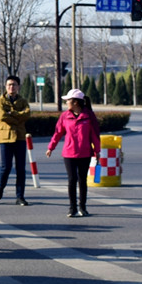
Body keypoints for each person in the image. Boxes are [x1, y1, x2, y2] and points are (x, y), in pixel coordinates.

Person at [46, 88, 101, 218]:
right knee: (72, 180)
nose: (66, 103)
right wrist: (51, 147)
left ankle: (83, 207)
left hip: (85, 152)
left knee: (82, 180)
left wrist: (97, 150)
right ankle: (72, 208)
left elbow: (94, 135)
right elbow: (58, 133)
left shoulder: (88, 115)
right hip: (69, 153)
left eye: (68, 100)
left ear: (75, 102)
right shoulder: (65, 116)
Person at [0, 75, 31, 206]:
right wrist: (17, 116)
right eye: (9, 85)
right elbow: (2, 116)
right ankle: (1, 187)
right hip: (5, 138)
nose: (12, 87)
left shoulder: (23, 101)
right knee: (6, 167)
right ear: (5, 86)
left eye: (14, 85)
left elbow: (27, 114)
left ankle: (20, 196)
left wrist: (12, 114)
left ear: (18, 87)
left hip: (20, 137)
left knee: (21, 168)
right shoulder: (0, 101)